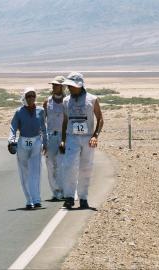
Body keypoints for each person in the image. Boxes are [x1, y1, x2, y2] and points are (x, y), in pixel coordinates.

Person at [60, 72, 104, 209]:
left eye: (72, 86)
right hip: (72, 137)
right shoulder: (66, 101)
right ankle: (69, 197)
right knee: (69, 166)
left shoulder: (92, 99)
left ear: (80, 85)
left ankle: (83, 198)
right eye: (68, 86)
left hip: (87, 138)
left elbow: (100, 118)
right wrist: (63, 139)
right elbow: (65, 121)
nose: (69, 88)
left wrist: (95, 136)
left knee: (86, 168)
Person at [8, 87, 47, 210]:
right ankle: (29, 200)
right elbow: (13, 127)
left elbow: (43, 128)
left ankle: (36, 199)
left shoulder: (40, 111)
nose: (31, 98)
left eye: (33, 96)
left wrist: (45, 142)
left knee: (36, 171)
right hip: (23, 143)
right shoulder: (19, 112)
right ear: (24, 98)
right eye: (28, 96)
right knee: (24, 172)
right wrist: (11, 140)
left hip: (36, 142)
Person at [43, 76, 66, 201]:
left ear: (62, 87)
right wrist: (43, 141)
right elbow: (43, 122)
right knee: (50, 164)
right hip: (50, 136)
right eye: (53, 85)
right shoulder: (47, 102)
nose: (53, 87)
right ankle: (55, 191)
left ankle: (63, 190)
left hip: (64, 137)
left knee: (62, 164)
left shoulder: (67, 101)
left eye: (56, 85)